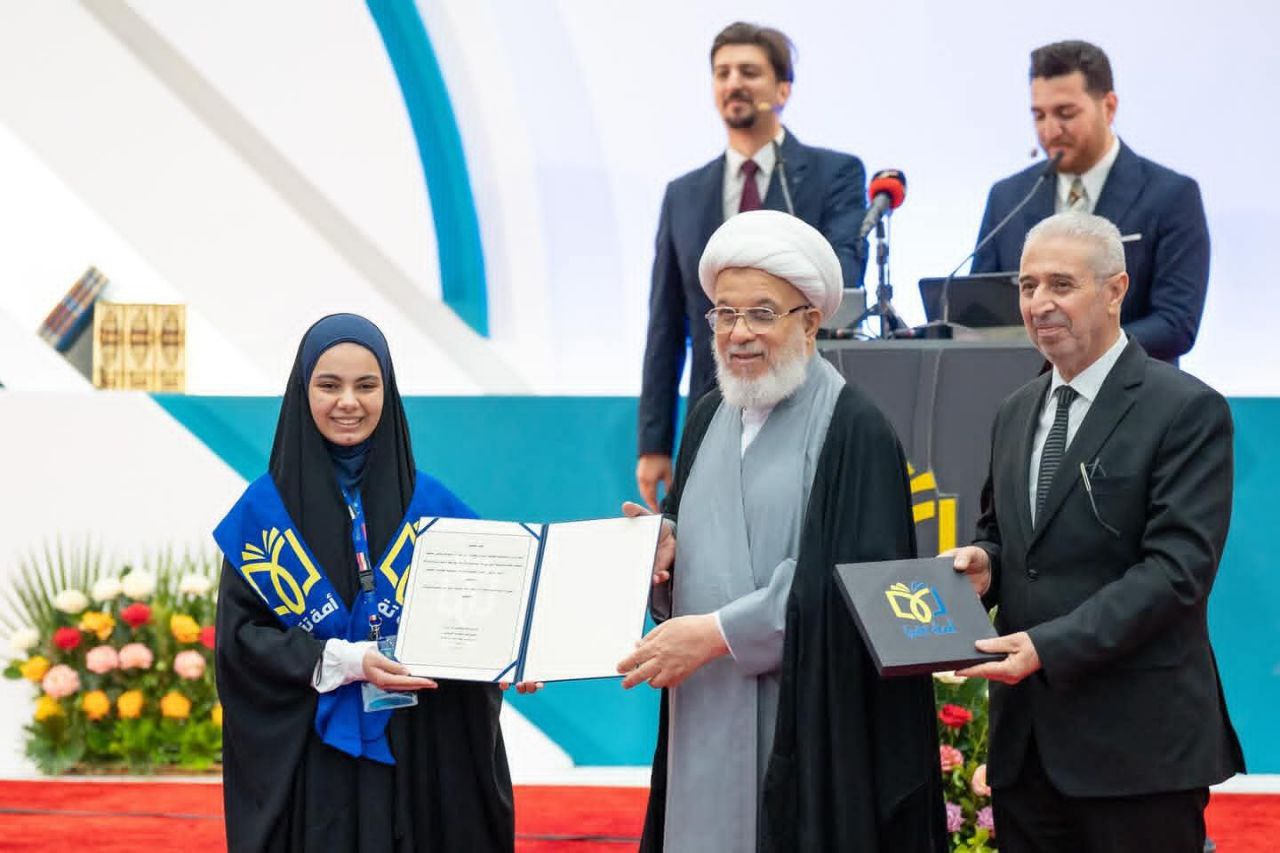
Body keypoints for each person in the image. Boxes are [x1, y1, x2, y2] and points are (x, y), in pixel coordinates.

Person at [620, 210, 945, 852]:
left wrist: (717, 634)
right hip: (703, 707)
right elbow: (699, 550)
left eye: (762, 314)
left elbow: (850, 592)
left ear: (810, 321)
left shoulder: (854, 429)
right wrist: (664, 556)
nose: (739, 334)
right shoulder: (708, 416)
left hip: (806, 722)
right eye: (725, 315)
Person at [951, 213, 1244, 852]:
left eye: (1061, 284)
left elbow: (1177, 572)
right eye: (1027, 286)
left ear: (1116, 291)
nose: (1039, 303)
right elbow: (1004, 537)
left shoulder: (1185, 409)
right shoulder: (1014, 410)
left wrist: (1048, 646)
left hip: (1138, 751)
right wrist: (987, 564)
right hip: (1027, 751)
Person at [213, 314, 520, 852]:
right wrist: (343, 660)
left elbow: (483, 609)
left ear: (388, 392)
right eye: (329, 385)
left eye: (366, 385)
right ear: (302, 391)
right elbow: (241, 644)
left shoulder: (435, 507)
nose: (348, 402)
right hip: (314, 767)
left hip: (418, 750)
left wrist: (510, 654)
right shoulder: (263, 517)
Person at [636, 21, 870, 510]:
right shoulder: (683, 194)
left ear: (782, 89)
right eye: (722, 73)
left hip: (801, 401)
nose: (734, 83)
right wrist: (654, 442)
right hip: (713, 409)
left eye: (749, 72)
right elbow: (665, 324)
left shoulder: (834, 174)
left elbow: (844, 275)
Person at [970, 40, 1209, 363]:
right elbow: (978, 316)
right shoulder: (1008, 197)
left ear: (1108, 107)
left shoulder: (1171, 195)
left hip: (1133, 387)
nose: (1050, 130)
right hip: (1028, 389)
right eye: (1039, 116)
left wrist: (1078, 347)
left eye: (1065, 113)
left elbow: (1175, 324)